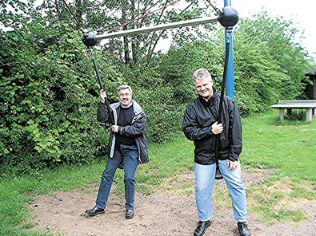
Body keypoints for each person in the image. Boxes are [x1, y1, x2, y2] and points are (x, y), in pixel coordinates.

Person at [182, 68, 251, 236]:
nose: (203, 89)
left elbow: (236, 130)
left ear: (211, 82)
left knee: (236, 186)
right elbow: (189, 131)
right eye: (199, 87)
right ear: (195, 87)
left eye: (205, 84)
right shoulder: (193, 108)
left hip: (227, 154)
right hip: (204, 156)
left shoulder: (227, 103)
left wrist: (234, 155)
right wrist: (209, 130)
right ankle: (204, 219)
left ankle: (242, 222)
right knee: (201, 189)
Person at [85, 84, 148, 219]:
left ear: (131, 95)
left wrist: (119, 129)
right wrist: (102, 102)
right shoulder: (114, 109)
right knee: (107, 175)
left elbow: (137, 130)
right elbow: (102, 118)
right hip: (117, 149)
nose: (124, 97)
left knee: (129, 177)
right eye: (122, 95)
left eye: (127, 94)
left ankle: (129, 207)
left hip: (132, 150)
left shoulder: (138, 112)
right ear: (118, 96)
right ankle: (99, 206)